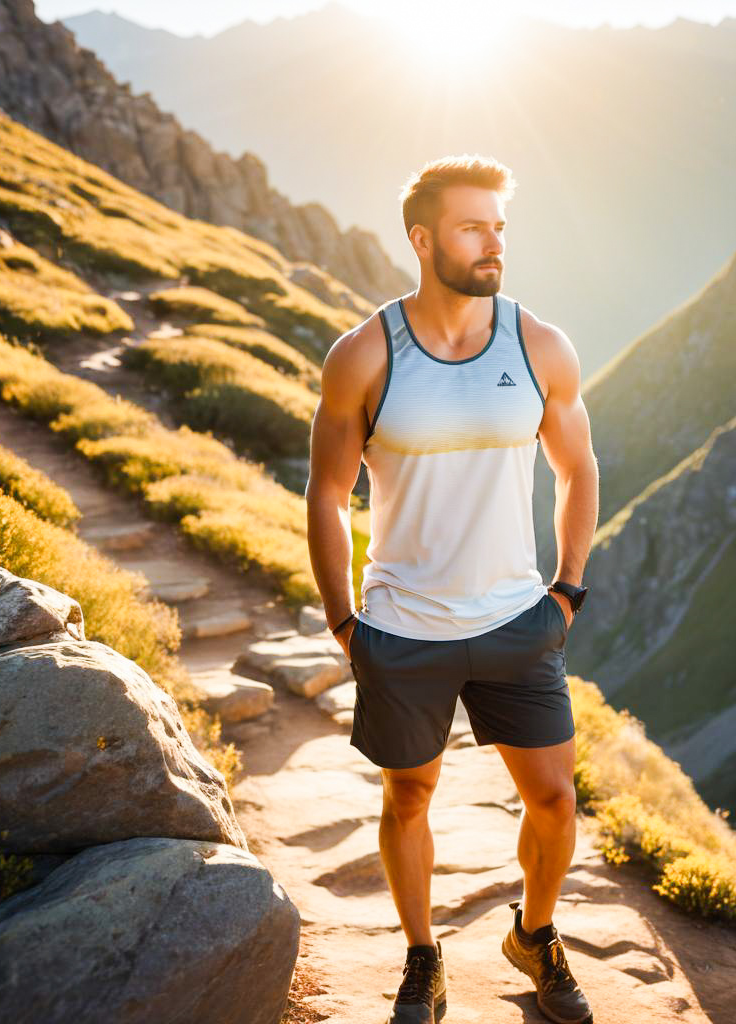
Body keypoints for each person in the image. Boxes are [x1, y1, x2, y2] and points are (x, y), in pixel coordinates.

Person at [306, 154, 599, 1024]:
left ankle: (535, 936)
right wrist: (343, 623)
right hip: (402, 625)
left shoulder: (540, 343)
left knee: (553, 802)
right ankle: (423, 957)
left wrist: (568, 589)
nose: (493, 242)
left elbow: (579, 465)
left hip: (518, 619)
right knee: (410, 797)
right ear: (423, 238)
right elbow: (325, 494)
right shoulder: (363, 354)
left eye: (500, 226)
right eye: (475, 226)